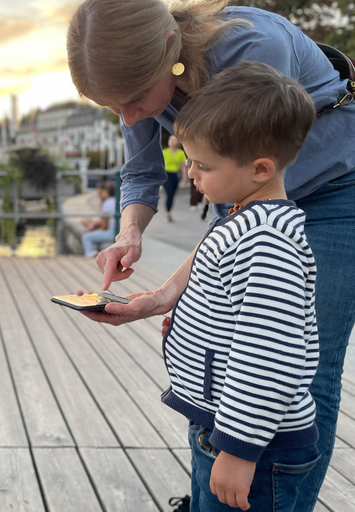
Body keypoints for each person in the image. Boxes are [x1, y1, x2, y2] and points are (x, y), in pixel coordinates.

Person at [66, 1, 355, 510]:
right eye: (111, 107)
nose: (129, 117)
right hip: (249, 194)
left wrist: (165, 294)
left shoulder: (251, 50)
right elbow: (143, 170)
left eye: (133, 101)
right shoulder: (139, 84)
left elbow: (248, 211)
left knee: (306, 367)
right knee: (225, 346)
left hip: (332, 185)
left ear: (169, 55)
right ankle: (216, 489)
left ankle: (275, 494)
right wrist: (130, 233)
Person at [174, 62, 318, 511]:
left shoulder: (265, 241)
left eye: (203, 164)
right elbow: (237, 314)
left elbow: (269, 351)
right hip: (227, 427)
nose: (190, 173)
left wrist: (237, 450)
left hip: (256, 445)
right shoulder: (245, 220)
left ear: (259, 169)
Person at [80, 180, 117, 257]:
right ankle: (94, 250)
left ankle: (89, 254)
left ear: (107, 192)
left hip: (112, 232)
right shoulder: (115, 201)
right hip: (117, 231)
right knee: (93, 234)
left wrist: (95, 230)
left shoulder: (107, 203)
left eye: (102, 192)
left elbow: (105, 226)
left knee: (86, 237)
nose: (99, 195)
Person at [163, 135, 187, 222]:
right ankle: (167, 213)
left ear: (177, 142)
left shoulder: (181, 153)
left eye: (174, 140)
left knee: (172, 195)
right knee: (169, 194)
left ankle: (169, 212)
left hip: (175, 175)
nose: (172, 141)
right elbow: (160, 165)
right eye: (170, 140)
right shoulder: (164, 152)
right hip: (166, 175)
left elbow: (183, 167)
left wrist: (184, 178)